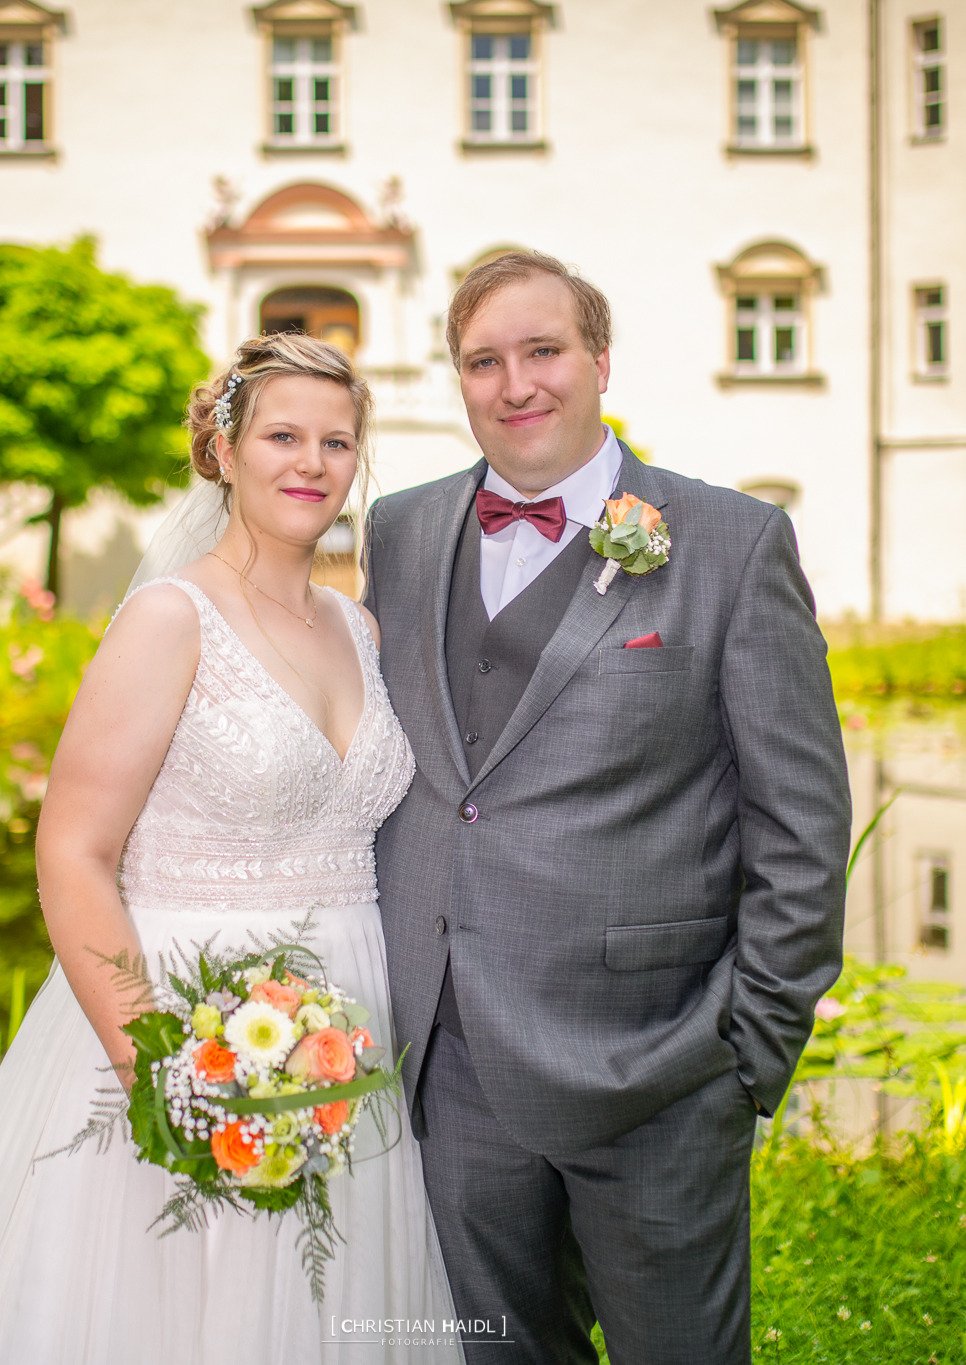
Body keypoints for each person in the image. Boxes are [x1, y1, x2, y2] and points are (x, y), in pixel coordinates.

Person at [0, 333, 462, 1364]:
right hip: (185, 1020)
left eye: (336, 440)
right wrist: (167, 1075)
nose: (311, 463)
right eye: (281, 435)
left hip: (344, 1028)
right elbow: (73, 855)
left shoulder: (355, 629)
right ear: (222, 451)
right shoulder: (166, 618)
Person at [363, 250, 852, 1365]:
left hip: (656, 1071)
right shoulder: (399, 532)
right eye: (482, 361)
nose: (514, 383)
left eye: (542, 351)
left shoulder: (730, 542)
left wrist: (748, 1050)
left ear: (598, 361)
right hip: (449, 1065)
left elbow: (801, 825)